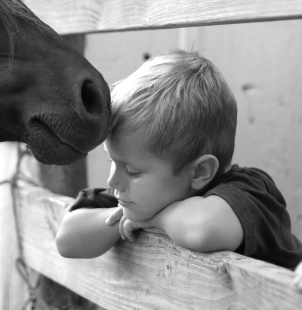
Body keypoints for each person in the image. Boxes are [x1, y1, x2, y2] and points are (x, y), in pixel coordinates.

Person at [55, 50, 302, 284]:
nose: (113, 181)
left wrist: (152, 220)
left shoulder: (249, 192)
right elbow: (67, 238)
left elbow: (202, 230)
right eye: (113, 162)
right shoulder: (135, 196)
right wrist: (123, 219)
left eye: (133, 171)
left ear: (199, 172)